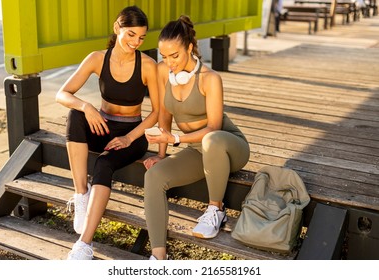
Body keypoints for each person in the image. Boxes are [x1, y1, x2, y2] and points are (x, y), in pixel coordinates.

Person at [55, 5, 159, 260]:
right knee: (75, 115)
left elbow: (157, 112)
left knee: (103, 164)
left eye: (142, 37)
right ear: (117, 28)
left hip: (133, 133)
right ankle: (81, 194)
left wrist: (129, 137)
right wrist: (86, 106)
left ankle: (84, 245)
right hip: (103, 124)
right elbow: (63, 94)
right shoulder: (96, 58)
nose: (136, 42)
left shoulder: (147, 65)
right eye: (131, 34)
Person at [143, 15, 250, 260]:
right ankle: (158, 258)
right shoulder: (163, 72)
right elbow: (164, 114)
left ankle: (216, 210)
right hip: (195, 149)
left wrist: (177, 140)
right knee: (153, 176)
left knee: (210, 141)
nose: (169, 62)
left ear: (189, 48)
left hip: (228, 147)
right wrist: (162, 153)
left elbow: (213, 127)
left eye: (175, 56)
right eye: (164, 56)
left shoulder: (210, 79)